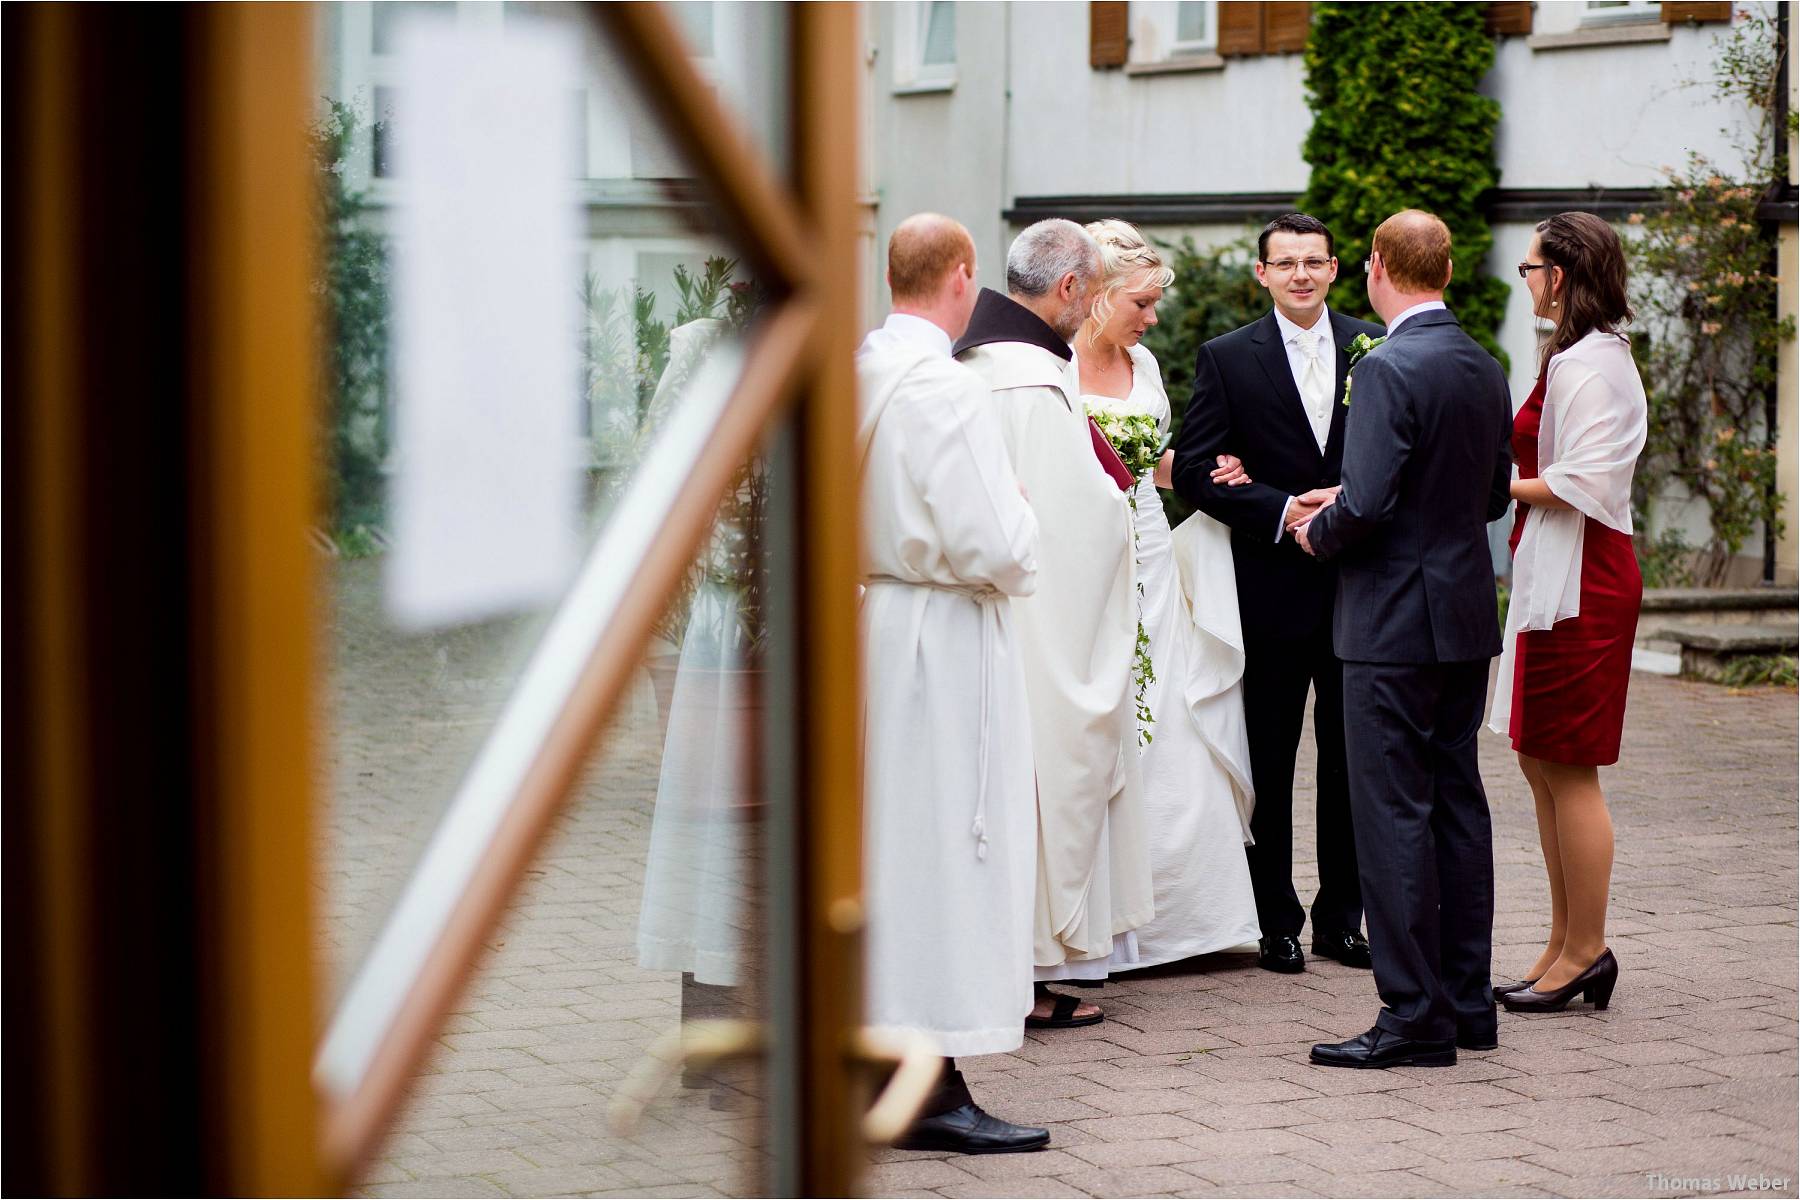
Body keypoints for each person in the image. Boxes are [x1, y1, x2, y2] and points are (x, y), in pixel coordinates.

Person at [1294, 209, 1514, 1068]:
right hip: (1461, 616)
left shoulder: (1387, 367)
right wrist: (1348, 499)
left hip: (1388, 624)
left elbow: (1373, 502)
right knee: (1458, 807)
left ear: (1378, 266)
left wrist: (1320, 528)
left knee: (1391, 815)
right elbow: (1490, 497)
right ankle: (1466, 1004)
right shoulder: (1483, 364)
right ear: (1449, 271)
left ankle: (1413, 1015)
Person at [857, 213, 1049, 1153]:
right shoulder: (944, 387)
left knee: (889, 847)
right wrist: (1026, 521)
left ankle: (875, 1058)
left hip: (878, 623)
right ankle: (928, 1082)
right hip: (943, 632)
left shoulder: (856, 373)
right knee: (946, 852)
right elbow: (997, 545)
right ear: (963, 276)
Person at [1169, 213, 1382, 975]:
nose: (1300, 274)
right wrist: (1275, 506)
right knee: (1268, 757)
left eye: (1313, 262)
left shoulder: (1375, 348)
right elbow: (1194, 468)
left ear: (1335, 270)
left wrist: (1348, 500)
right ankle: (1274, 917)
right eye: (1284, 263)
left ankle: (1342, 918)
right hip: (1269, 587)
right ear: (1261, 274)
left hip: (1359, 585)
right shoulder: (1228, 359)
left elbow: (1398, 458)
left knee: (1352, 758)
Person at [953, 219, 1153, 1026]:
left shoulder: (977, 361)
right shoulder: (1030, 381)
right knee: (1039, 775)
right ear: (1069, 289)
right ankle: (1030, 972)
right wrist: (1120, 500)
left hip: (988, 613)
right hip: (1038, 621)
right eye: (1093, 291)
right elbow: (1080, 520)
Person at [1072, 219, 1262, 970]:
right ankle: (1099, 925)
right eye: (1142, 303)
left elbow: (1147, 460)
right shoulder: (1051, 368)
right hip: (1085, 560)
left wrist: (1215, 474)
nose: (1152, 319)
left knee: (1171, 714)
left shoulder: (1144, 363)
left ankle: (1190, 922)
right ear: (1094, 294)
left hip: (1151, 552)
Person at [1489, 212, 1646, 1015]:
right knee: (1538, 757)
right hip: (1554, 566)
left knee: (1569, 762)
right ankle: (1560, 940)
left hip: (1585, 577)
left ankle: (1588, 948)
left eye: (1530, 269)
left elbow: (1588, 480)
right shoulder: (1572, 355)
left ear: (1564, 273)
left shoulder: (1595, 366)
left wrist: (1486, 486)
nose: (1525, 282)